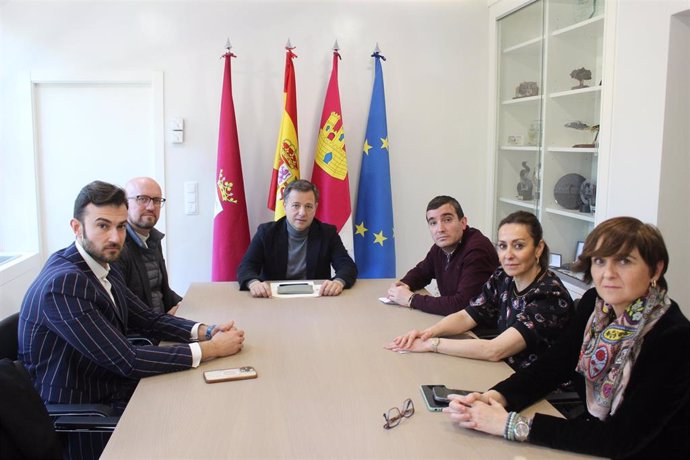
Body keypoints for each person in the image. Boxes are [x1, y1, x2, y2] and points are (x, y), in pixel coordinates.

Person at [444, 217, 689, 459]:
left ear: (656, 269)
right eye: (600, 261)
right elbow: (553, 365)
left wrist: (511, 425)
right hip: (596, 436)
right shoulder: (595, 305)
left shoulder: (673, 337)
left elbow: (623, 438)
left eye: (624, 261)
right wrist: (494, 397)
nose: (608, 274)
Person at [19, 181, 245, 413]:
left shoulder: (101, 264)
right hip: (86, 408)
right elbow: (127, 360)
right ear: (77, 227)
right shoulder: (65, 284)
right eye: (103, 226)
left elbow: (148, 319)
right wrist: (212, 349)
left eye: (121, 226)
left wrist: (206, 331)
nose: (115, 238)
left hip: (113, 384)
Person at [386, 211, 574, 370]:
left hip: (537, 388)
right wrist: (427, 333)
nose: (508, 255)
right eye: (502, 246)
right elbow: (469, 315)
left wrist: (431, 344)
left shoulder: (549, 296)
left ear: (538, 248)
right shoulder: (504, 276)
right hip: (504, 371)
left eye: (518, 246)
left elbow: (495, 350)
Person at [237, 179, 357, 297]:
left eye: (308, 206)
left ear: (315, 207)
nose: (302, 213)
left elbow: (347, 266)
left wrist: (338, 282)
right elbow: (246, 266)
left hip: (315, 298)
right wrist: (254, 283)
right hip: (273, 298)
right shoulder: (266, 233)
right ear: (285, 206)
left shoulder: (327, 233)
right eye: (296, 205)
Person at [386, 196, 499, 315]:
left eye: (447, 220)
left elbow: (462, 305)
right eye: (433, 223)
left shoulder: (477, 250)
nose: (440, 229)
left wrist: (411, 299)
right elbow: (422, 272)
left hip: (481, 330)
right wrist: (404, 284)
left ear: (463, 222)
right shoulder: (440, 248)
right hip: (454, 321)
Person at [113, 177, 181, 316]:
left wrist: (185, 304)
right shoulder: (117, 247)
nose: (151, 207)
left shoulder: (153, 239)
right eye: (142, 199)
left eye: (156, 200)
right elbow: (126, 311)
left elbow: (162, 291)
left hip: (164, 324)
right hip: (147, 333)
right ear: (125, 204)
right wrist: (168, 321)